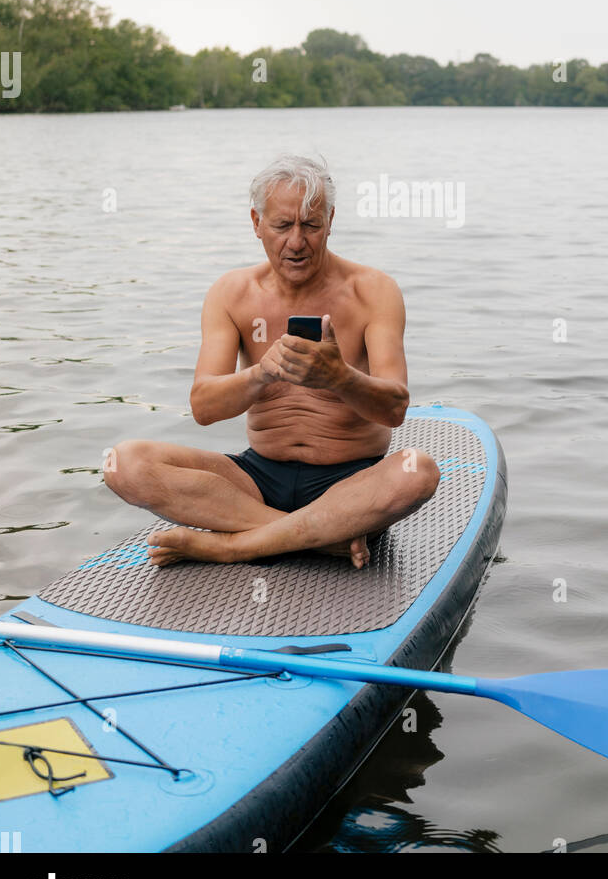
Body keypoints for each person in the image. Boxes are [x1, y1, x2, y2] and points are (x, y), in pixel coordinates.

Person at [104, 153, 439, 570]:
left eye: (311, 225)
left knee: (417, 470)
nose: (296, 242)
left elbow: (395, 408)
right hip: (257, 480)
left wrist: (340, 379)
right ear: (256, 223)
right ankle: (317, 537)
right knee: (124, 462)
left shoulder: (373, 291)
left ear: (331, 221)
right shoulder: (232, 293)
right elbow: (205, 408)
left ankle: (234, 546)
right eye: (282, 226)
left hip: (351, 483)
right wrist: (263, 373)